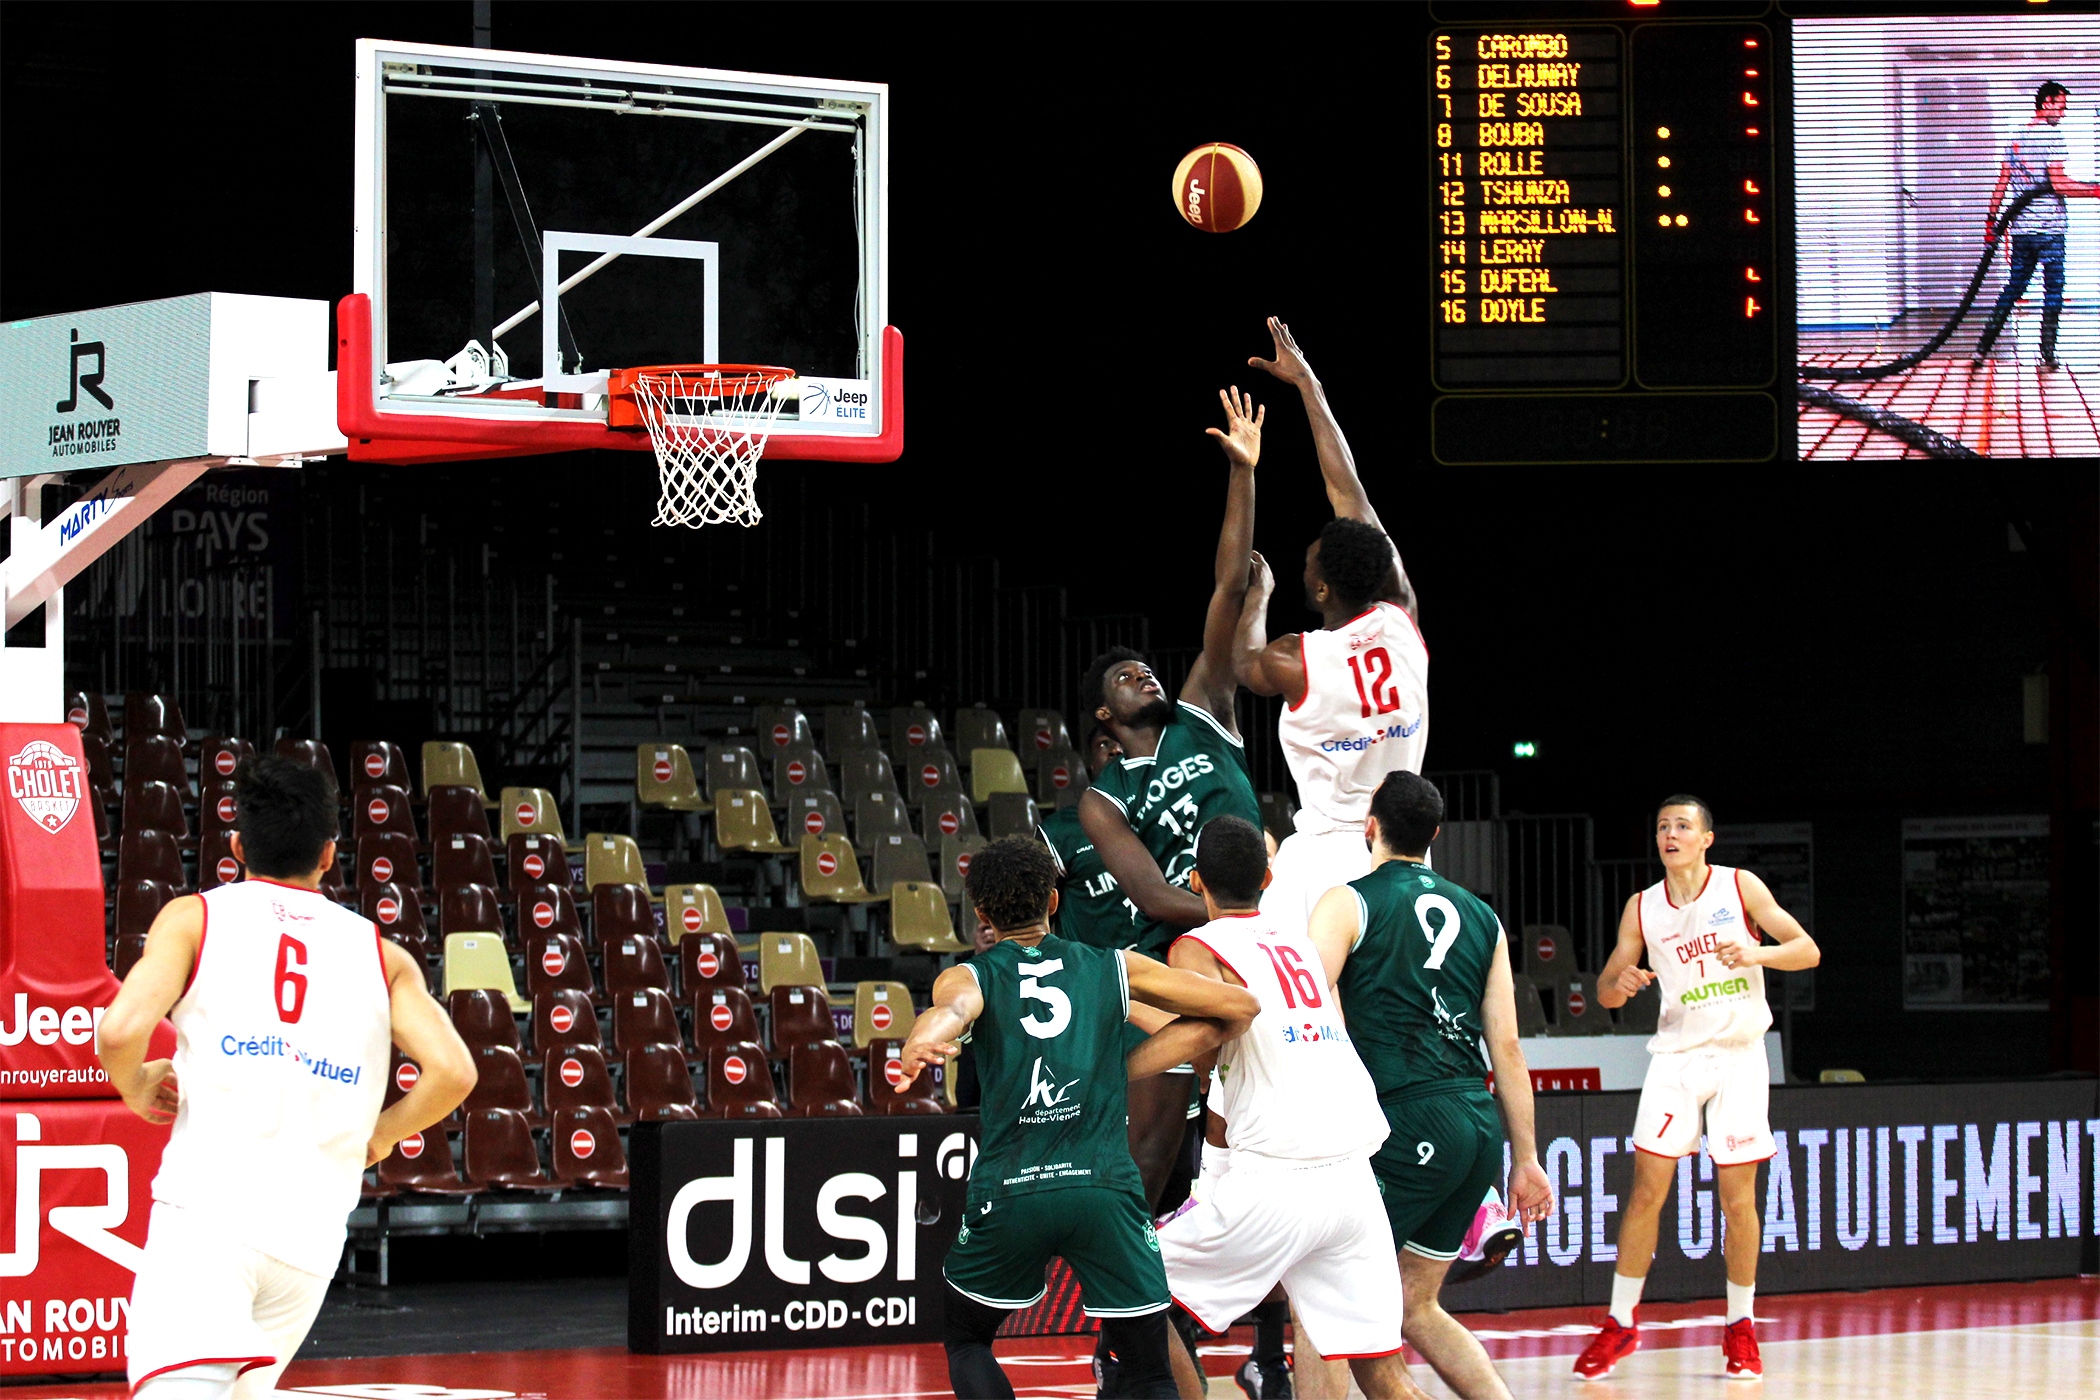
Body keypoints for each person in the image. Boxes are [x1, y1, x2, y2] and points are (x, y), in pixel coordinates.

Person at [97, 757, 477, 1400]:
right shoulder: (382, 954)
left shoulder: (195, 917)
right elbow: (455, 1071)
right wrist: (381, 1136)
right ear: (330, 855)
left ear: (238, 845)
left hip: (209, 1222)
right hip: (309, 1241)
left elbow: (117, 1032)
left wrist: (135, 1086)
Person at [898, 836, 1260, 1400]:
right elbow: (1237, 1009)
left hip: (1013, 1187)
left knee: (968, 1340)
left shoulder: (973, 975)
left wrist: (918, 1044)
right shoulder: (1113, 966)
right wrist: (1122, 1068)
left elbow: (950, 1011)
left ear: (982, 914)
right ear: (1052, 900)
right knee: (1149, 1371)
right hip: (1103, 1190)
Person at [1302, 771, 1554, 1400]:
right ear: (1436, 836)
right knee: (1415, 1304)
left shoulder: (1347, 901)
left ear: (1370, 827)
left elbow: (1303, 1006)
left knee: (1323, 1302)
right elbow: (1510, 1050)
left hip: (1405, 1120)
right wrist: (1526, 1158)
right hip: (1475, 1122)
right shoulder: (1483, 917)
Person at [1159, 816, 1431, 1400]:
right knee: (1381, 1373)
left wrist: (1118, 1025)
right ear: (1268, 876)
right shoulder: (1300, 945)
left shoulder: (1196, 946)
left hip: (1279, 1180)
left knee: (1136, 1290)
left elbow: (1204, 1042)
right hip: (1354, 1183)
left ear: (1194, 880)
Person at [1571, 795, 1820, 1382]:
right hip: (1676, 1060)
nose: (1670, 834)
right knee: (1645, 1192)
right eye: (1662, 826)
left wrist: (1756, 951)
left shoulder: (1740, 887)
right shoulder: (1643, 907)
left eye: (1683, 825)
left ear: (1707, 838)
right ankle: (1620, 1322)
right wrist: (1621, 982)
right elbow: (1606, 991)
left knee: (1739, 1200)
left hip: (1738, 1056)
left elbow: (1807, 950)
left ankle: (1740, 1325)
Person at [1233, 317, 1425, 938]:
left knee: (1290, 1010)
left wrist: (1258, 597)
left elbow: (1243, 664)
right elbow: (1351, 493)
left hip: (1325, 861)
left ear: (1318, 590)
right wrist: (1310, 387)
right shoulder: (1401, 618)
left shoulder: (1296, 659)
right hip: (1404, 852)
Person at [1974, 81, 2097, 372]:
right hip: (2050, 230)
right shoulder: (2053, 137)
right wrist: (2092, 191)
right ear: (2047, 102)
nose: (2063, 114)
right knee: (2053, 290)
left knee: (2013, 288)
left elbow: (2002, 183)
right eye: (2061, 106)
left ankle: (1981, 348)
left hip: (2021, 231)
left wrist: (1991, 222)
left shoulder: (2015, 138)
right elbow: (2058, 184)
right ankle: (2047, 355)